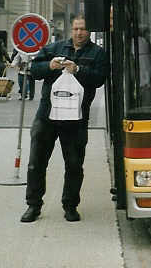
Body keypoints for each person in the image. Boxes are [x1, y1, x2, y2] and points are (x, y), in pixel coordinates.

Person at [21, 15, 108, 223]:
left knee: (74, 165)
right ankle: (33, 206)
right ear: (71, 30)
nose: (80, 33)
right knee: (36, 163)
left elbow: (99, 79)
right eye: (76, 29)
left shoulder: (98, 53)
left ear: (89, 32)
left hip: (76, 120)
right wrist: (49, 66)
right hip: (47, 116)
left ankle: (70, 206)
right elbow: (33, 70)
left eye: (84, 29)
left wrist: (78, 69)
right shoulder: (54, 48)